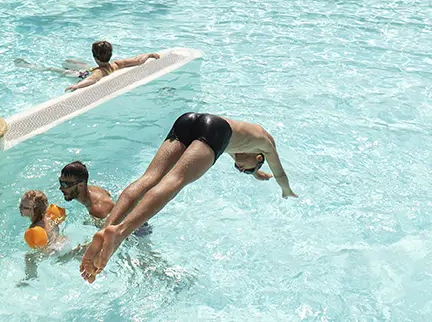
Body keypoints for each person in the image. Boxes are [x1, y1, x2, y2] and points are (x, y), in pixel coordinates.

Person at [78, 112, 295, 283]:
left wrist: (255, 173)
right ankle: (120, 232)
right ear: (259, 157)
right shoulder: (267, 144)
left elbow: (244, 157)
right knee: (174, 181)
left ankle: (106, 227)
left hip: (190, 120)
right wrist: (286, 190)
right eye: (244, 169)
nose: (239, 168)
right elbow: (280, 172)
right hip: (215, 131)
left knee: (149, 177)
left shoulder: (248, 141)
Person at [66, 40, 160, 91]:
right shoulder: (117, 64)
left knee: (64, 70)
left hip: (85, 74)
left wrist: (77, 85)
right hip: (101, 68)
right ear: (110, 55)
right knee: (74, 63)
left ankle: (51, 68)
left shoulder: (99, 71)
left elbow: (92, 79)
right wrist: (149, 55)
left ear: (94, 57)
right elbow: (138, 60)